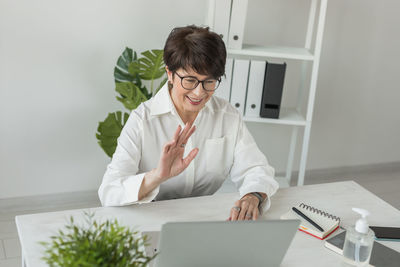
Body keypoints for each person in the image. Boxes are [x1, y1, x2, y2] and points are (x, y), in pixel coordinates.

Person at [98, 25, 279, 221]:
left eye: (209, 81)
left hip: (204, 219)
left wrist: (253, 195)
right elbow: (109, 191)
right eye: (190, 80)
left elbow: (255, 168)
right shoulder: (142, 120)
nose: (199, 93)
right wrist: (158, 175)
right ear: (170, 73)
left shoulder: (227, 116)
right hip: (150, 219)